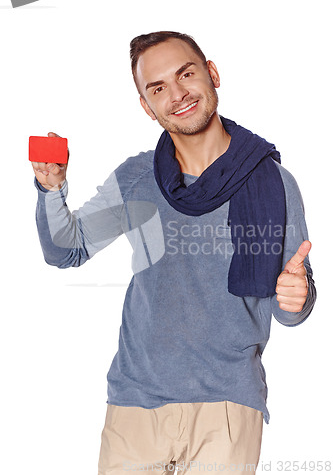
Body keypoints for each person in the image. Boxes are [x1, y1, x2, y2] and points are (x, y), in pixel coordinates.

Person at [31, 31, 316, 475]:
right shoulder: (138, 178)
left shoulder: (274, 183)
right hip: (134, 404)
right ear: (147, 106)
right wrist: (51, 191)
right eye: (158, 88)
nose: (177, 94)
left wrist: (299, 294)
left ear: (212, 74)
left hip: (227, 407)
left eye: (186, 74)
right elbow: (68, 251)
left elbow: (291, 311)